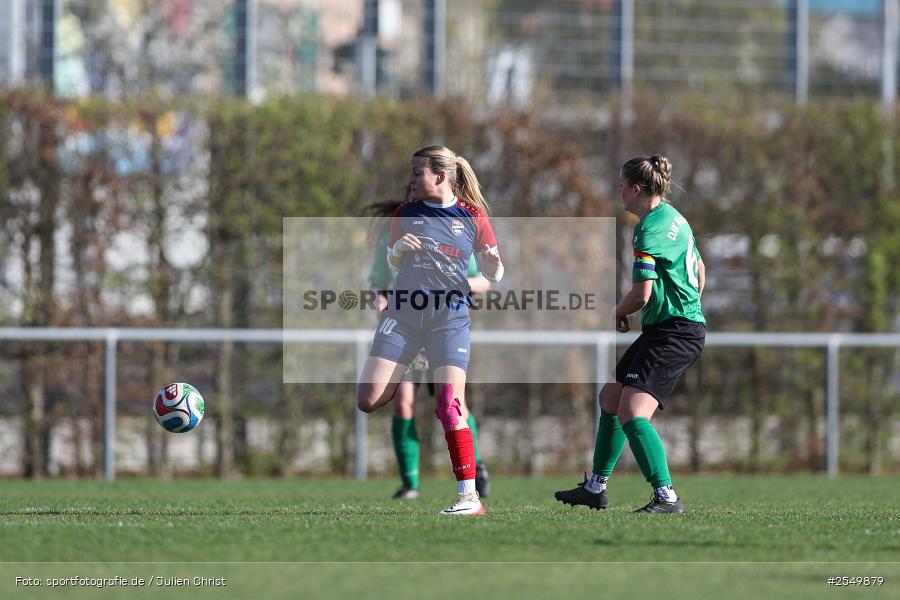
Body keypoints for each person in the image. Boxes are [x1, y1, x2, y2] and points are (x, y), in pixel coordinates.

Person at [357, 145, 503, 516]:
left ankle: (469, 497)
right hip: (404, 318)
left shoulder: (472, 216)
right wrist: (399, 250)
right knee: (368, 398)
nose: (410, 178)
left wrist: (490, 263)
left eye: (417, 171)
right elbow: (389, 260)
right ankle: (415, 480)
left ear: (439, 175)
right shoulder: (404, 214)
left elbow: (495, 274)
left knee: (450, 404)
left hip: (448, 320)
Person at [555, 155, 705, 514]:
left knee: (633, 412)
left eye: (621, 185)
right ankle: (596, 487)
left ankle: (666, 497)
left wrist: (617, 312)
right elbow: (700, 269)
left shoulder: (649, 229)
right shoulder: (676, 219)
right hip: (673, 326)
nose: (618, 192)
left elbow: (642, 295)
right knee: (611, 398)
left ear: (636, 190)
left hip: (674, 331)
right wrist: (688, 305)